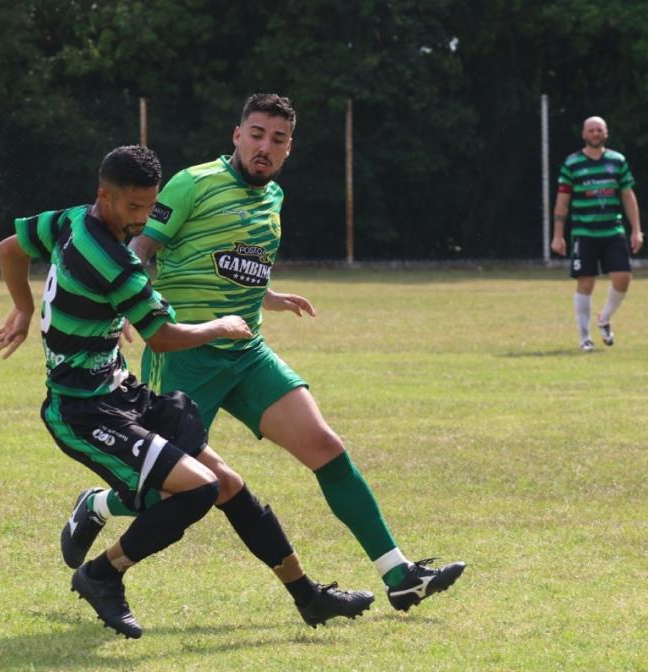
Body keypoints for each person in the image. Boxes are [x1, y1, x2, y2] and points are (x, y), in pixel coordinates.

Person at [0, 145, 372, 638]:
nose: (142, 218)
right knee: (199, 489)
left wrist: (24, 308)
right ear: (104, 196)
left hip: (120, 392)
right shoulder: (114, 262)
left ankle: (308, 597)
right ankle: (101, 574)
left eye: (150, 206)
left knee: (226, 483)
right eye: (133, 207)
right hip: (82, 411)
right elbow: (163, 337)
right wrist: (220, 326)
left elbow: (10, 248)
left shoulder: (70, 220)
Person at [111, 93, 465, 613]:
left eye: (277, 139)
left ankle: (400, 574)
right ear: (237, 136)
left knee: (325, 446)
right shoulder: (193, 183)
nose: (265, 147)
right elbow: (142, 248)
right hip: (187, 351)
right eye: (256, 134)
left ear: (289, 147)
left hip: (247, 352)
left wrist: (268, 296)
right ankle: (96, 506)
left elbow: (233, 263)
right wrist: (126, 304)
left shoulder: (273, 197)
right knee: (170, 485)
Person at [551, 116, 643, 352]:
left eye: (599, 130)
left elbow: (628, 196)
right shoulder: (572, 163)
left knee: (623, 278)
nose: (595, 134)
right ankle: (585, 338)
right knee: (586, 282)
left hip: (612, 229)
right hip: (584, 232)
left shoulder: (617, 161)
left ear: (606, 133)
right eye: (591, 130)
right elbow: (562, 200)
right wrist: (558, 235)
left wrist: (636, 230)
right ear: (584, 134)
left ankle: (604, 318)